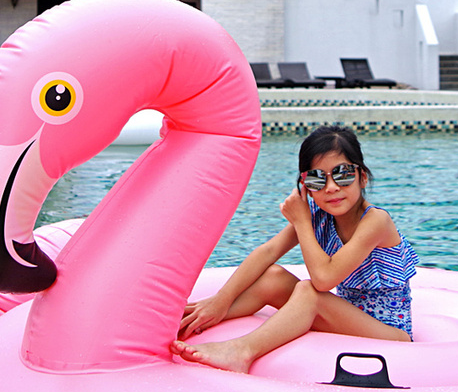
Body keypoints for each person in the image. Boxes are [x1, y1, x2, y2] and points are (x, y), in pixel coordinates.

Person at [170, 125, 417, 373]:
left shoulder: (375, 221)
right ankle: (194, 322)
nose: (331, 187)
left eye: (342, 174)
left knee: (308, 290)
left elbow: (322, 280)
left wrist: (300, 221)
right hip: (349, 313)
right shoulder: (320, 217)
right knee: (273, 277)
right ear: (305, 186)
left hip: (388, 331)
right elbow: (267, 252)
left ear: (362, 177)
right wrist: (220, 301)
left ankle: (241, 351)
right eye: (317, 179)